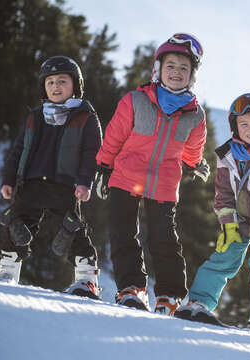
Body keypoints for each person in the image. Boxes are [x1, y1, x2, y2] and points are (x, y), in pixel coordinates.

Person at [95, 33, 209, 313]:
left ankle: (169, 296)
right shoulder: (135, 100)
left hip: (164, 184)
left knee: (164, 240)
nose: (176, 73)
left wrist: (196, 164)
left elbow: (193, 148)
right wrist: (103, 166)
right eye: (170, 66)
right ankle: (131, 289)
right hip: (124, 177)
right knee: (123, 234)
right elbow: (114, 137)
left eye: (184, 68)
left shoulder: (195, 115)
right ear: (158, 69)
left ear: (192, 76)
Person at [175, 93, 250, 328]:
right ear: (235, 127)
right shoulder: (226, 156)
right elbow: (223, 193)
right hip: (238, 221)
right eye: (244, 124)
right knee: (224, 258)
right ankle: (199, 301)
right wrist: (228, 224)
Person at [0, 56, 102, 299]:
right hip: (30, 184)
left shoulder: (86, 117)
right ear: (43, 87)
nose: (56, 86)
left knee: (72, 229)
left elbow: (91, 154)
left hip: (66, 186)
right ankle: (7, 272)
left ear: (75, 85)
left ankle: (87, 279)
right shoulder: (35, 116)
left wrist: (86, 182)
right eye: (50, 82)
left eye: (62, 81)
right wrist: (8, 180)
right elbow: (18, 150)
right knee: (15, 224)